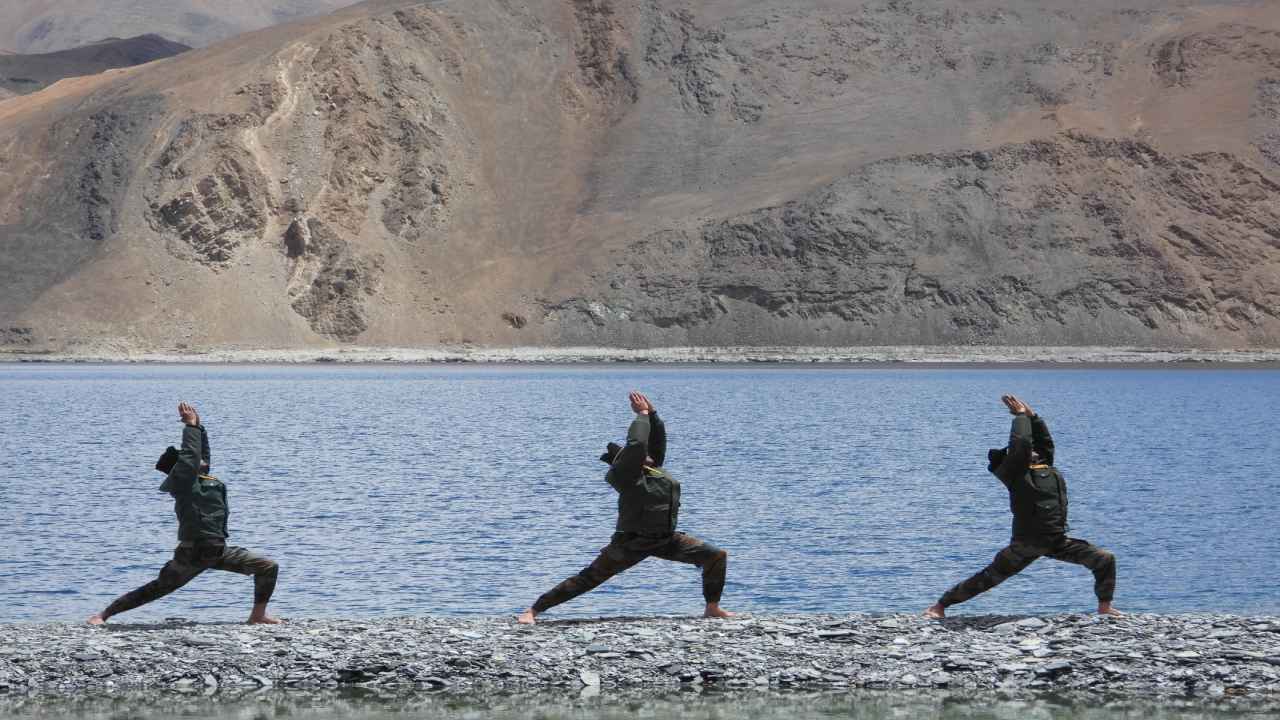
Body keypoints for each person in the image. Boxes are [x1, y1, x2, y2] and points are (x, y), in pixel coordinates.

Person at [517, 391, 731, 624]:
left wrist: (653, 415)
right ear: (629, 460)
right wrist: (641, 415)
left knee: (715, 556)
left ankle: (712, 608)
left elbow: (656, 444)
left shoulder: (652, 470)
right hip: (631, 542)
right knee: (589, 578)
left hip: (666, 539)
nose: (649, 456)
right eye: (641, 456)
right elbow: (637, 443)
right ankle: (534, 610)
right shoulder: (626, 475)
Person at [925, 395, 1120, 619]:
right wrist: (1019, 418)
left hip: (1056, 540)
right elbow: (1021, 443)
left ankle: (1105, 608)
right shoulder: (1016, 472)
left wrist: (1032, 416)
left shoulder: (1043, 466)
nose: (1034, 451)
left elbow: (1044, 443)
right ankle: (940, 606)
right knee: (988, 578)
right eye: (1026, 452)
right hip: (1026, 543)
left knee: (1104, 559)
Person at [88, 402, 281, 625]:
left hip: (218, 551)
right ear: (182, 467)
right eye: (189, 458)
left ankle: (257, 616)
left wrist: (199, 426)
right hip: (193, 554)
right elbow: (191, 456)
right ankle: (103, 615)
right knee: (158, 588)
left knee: (267, 566)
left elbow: (201, 455)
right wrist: (189, 428)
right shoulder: (184, 482)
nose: (196, 458)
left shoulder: (202, 480)